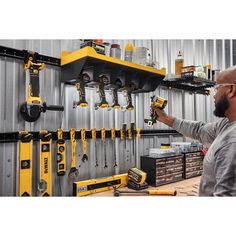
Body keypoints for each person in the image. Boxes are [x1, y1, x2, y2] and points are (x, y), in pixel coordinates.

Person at [154, 66, 236, 196]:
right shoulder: (227, 124)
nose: (214, 95)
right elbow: (199, 130)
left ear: (231, 90)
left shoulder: (232, 142)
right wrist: (165, 118)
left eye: (217, 88)